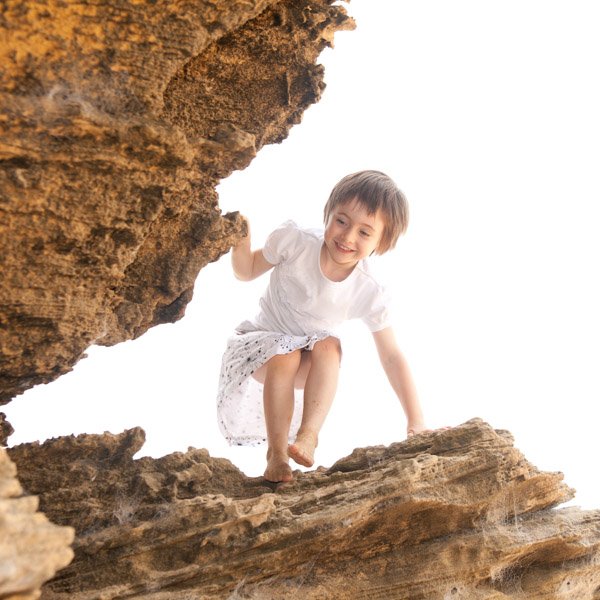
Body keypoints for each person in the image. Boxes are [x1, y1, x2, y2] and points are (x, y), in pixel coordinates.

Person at [216, 170, 428, 483]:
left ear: (381, 243)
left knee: (330, 344)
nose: (348, 237)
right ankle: (276, 454)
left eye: (364, 233)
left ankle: (308, 436)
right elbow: (246, 271)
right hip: (259, 349)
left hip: (307, 360)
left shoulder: (368, 289)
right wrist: (241, 238)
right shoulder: (297, 242)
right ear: (327, 213)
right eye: (341, 221)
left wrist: (416, 420)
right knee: (284, 353)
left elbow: (392, 356)